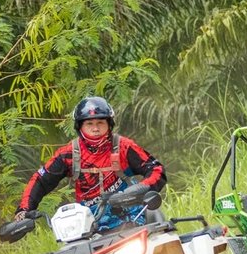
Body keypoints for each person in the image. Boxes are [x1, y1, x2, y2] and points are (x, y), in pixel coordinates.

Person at [15, 96, 166, 230]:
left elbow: (156, 169)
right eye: (89, 124)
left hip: (131, 217)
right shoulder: (68, 154)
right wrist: (24, 211)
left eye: (100, 122)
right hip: (87, 227)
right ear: (80, 127)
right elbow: (41, 180)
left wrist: (139, 190)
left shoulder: (123, 146)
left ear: (109, 124)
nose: (95, 128)